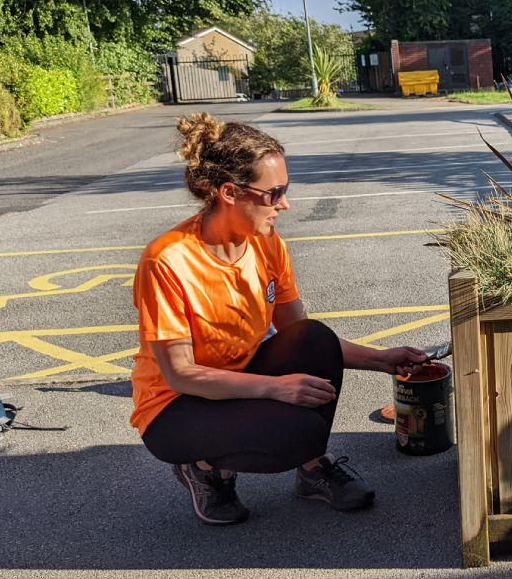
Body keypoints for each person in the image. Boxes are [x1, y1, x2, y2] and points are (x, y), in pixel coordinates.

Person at [130, 113, 429, 526]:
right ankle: (203, 469)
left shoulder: (267, 244)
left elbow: (298, 336)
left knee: (314, 339)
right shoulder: (168, 260)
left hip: (240, 377)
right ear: (230, 192)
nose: (284, 204)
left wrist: (383, 359)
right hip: (175, 407)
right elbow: (181, 375)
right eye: (274, 193)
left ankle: (312, 471)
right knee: (290, 434)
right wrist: (275, 389)